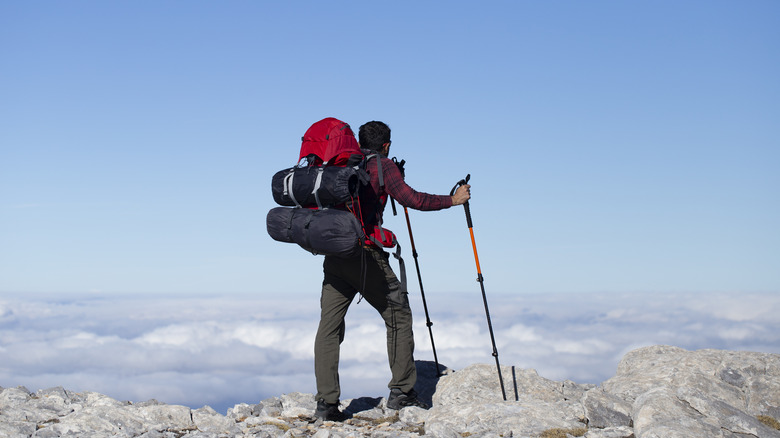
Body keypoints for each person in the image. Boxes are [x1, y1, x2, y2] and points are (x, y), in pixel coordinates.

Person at [313, 121, 471, 421]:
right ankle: (402, 393)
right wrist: (453, 199)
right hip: (365, 253)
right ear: (386, 144)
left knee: (329, 327)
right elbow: (414, 200)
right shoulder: (383, 167)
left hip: (334, 255)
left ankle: (326, 405)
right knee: (398, 314)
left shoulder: (341, 165)